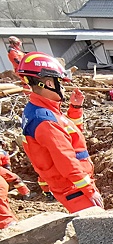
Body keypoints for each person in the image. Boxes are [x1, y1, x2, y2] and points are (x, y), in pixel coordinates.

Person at [17, 52, 104, 213]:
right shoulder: (45, 120)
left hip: (75, 184)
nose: (63, 88)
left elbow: (68, 135)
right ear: (49, 83)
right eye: (60, 83)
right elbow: (65, 159)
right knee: (98, 230)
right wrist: (89, 189)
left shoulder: (42, 110)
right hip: (74, 188)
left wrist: (75, 109)